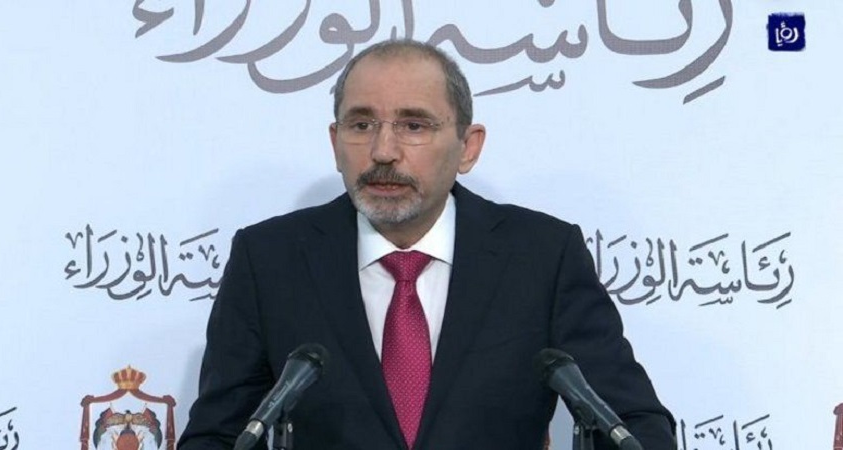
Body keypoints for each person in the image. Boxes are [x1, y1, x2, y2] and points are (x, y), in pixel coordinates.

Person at [177, 39, 676, 450]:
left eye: (413, 125)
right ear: (335, 142)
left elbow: (633, 425)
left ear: (468, 147)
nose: (383, 151)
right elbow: (217, 436)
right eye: (361, 124)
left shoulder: (543, 257)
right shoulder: (269, 260)